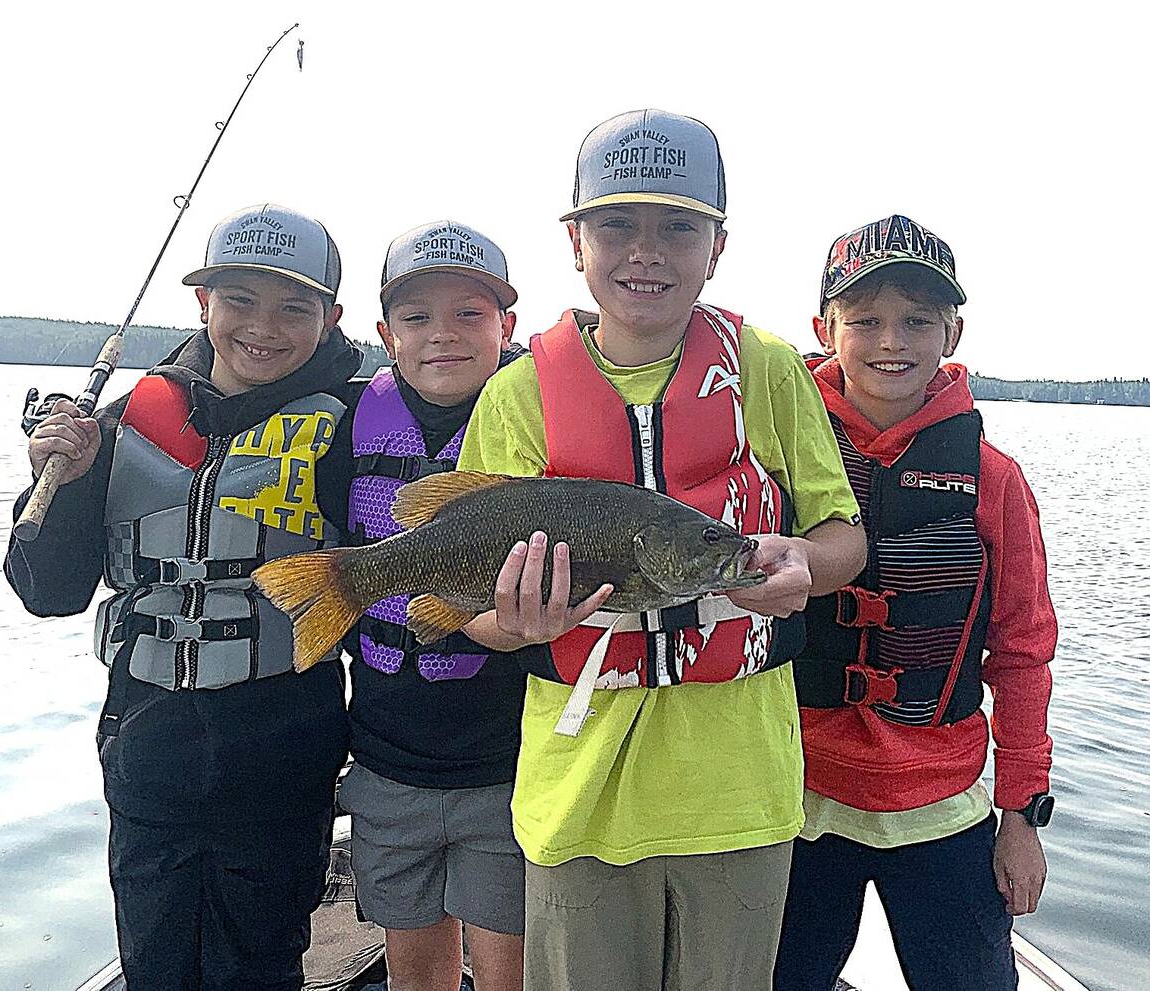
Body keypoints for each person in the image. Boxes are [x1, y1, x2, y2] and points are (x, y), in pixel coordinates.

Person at [456, 109, 866, 991]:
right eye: (617, 225)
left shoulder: (765, 366)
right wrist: (516, 623)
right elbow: (478, 617)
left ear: (716, 246)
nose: (647, 251)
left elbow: (844, 539)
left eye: (679, 227)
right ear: (575, 241)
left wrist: (805, 562)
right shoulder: (518, 392)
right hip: (579, 795)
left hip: (741, 794)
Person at [4, 204, 360, 990]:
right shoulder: (124, 420)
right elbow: (47, 591)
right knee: (155, 960)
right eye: (240, 300)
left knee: (259, 964)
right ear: (203, 305)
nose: (262, 327)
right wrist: (55, 484)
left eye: (293, 307)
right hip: (148, 744)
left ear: (331, 318)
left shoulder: (355, 424)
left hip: (283, 749)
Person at [774, 215, 1057, 991]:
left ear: (952, 331)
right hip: (797, 798)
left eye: (917, 320)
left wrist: (1021, 817)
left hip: (943, 804)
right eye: (863, 320)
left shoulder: (993, 479)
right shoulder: (777, 455)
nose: (890, 340)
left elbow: (1025, 650)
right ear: (823, 327)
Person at [328, 221, 530, 991]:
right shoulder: (352, 423)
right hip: (387, 757)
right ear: (385, 334)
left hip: (505, 761)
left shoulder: (533, 422)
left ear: (506, 327)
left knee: (509, 967)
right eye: (416, 318)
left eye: (470, 315)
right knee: (414, 970)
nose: (442, 335)